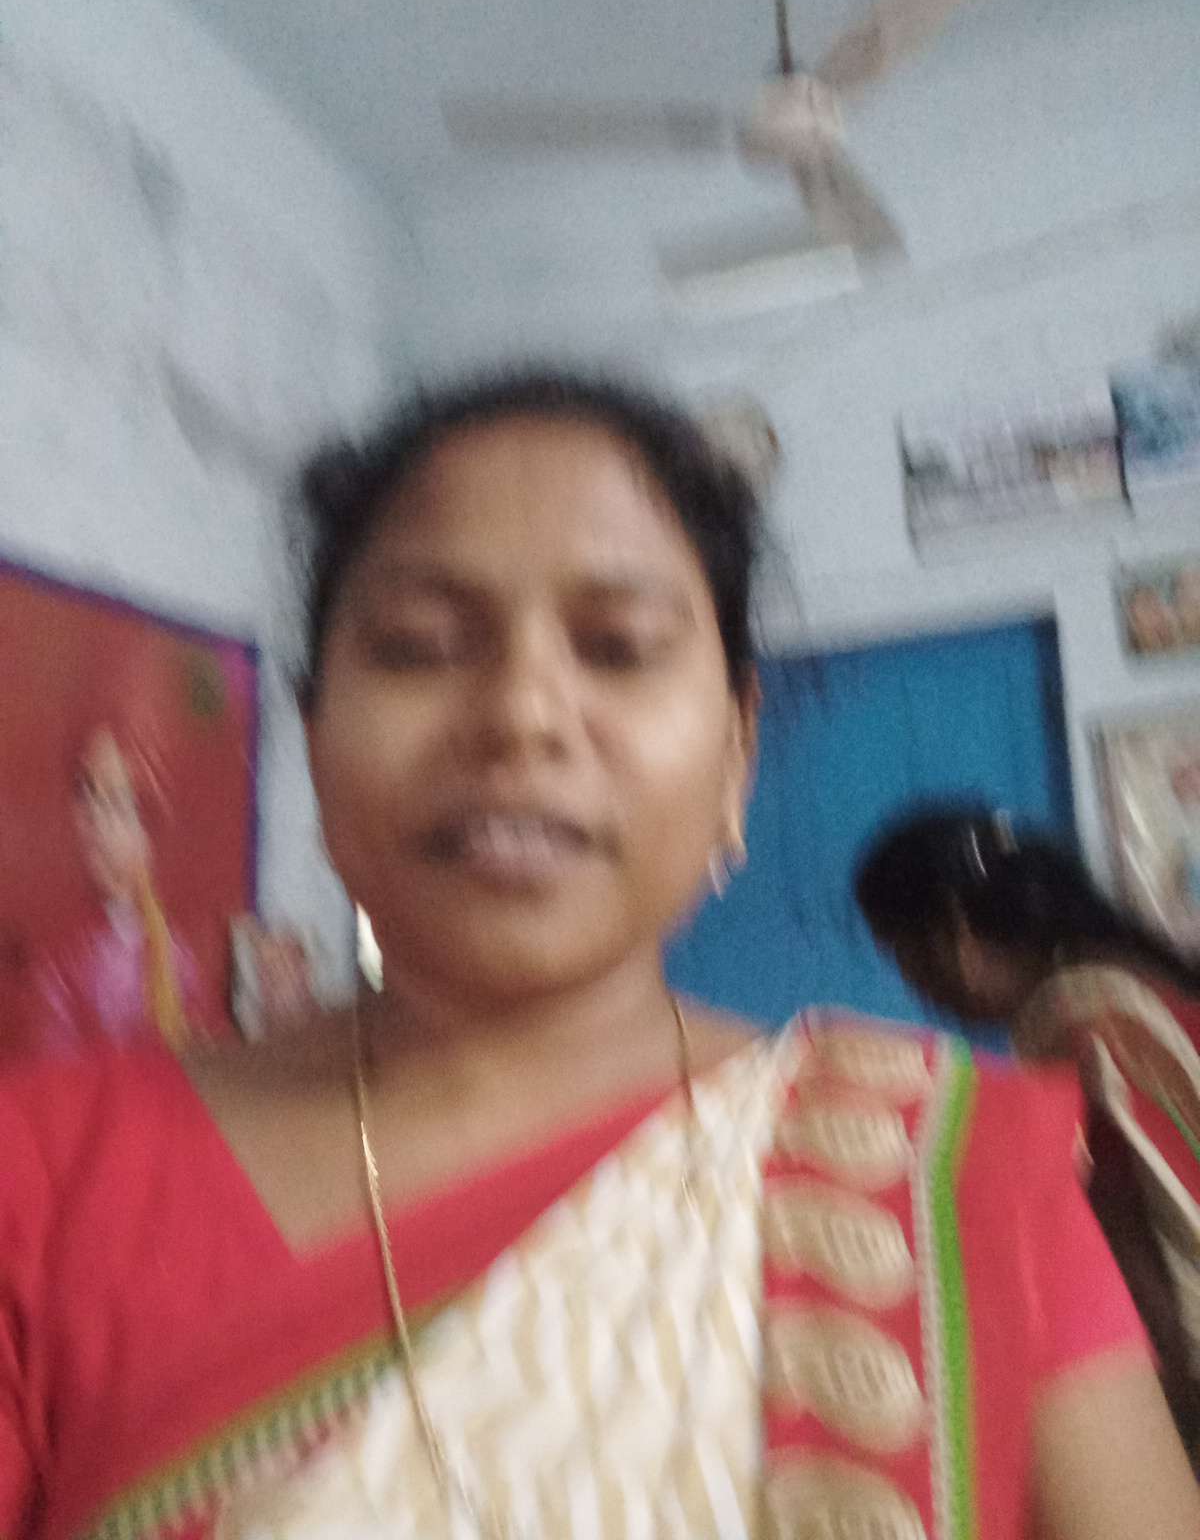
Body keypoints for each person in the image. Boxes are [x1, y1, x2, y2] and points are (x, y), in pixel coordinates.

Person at [2, 375, 1197, 1540]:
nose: (522, 712)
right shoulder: (45, 1175)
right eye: (420, 646)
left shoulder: (947, 1175)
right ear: (316, 745)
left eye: (619, 648)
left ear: (736, 754)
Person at [856, 804, 1200, 1466]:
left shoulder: (1072, 1024)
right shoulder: (1144, 979)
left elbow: (1129, 1258)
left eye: (905, 954)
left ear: (958, 932)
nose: (916, 987)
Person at [15, 725, 217, 1059]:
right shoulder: (58, 956)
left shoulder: (183, 951)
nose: (93, 816)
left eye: (114, 802)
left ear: (151, 832)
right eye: (85, 793)